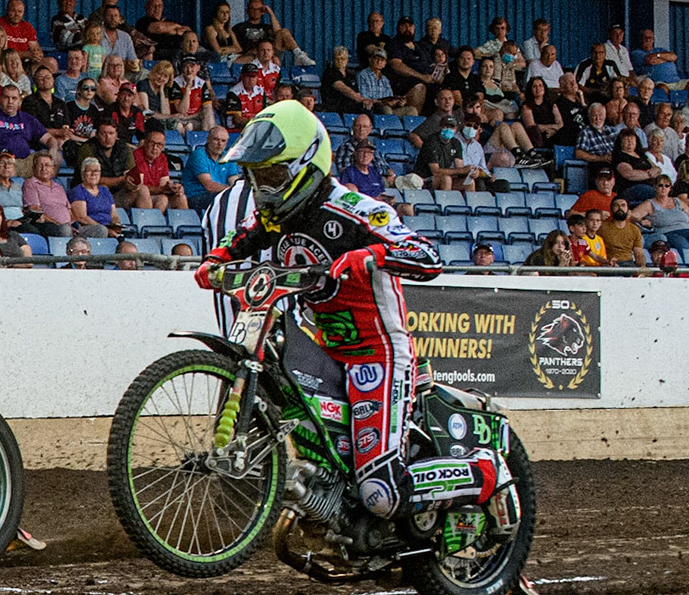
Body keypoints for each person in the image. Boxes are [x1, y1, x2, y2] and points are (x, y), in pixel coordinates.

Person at [199, 101, 513, 528]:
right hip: (324, 349)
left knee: (380, 491)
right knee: (318, 444)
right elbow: (242, 237)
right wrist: (214, 260)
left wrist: (370, 256)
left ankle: (486, 472)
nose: (264, 189)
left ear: (305, 167)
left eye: (272, 177)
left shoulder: (356, 208)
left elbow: (427, 256)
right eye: (257, 178)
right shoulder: (276, 216)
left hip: (377, 352)